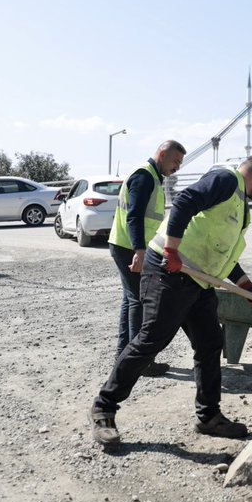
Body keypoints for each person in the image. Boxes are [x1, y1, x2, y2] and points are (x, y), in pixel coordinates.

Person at [90, 152, 252, 448]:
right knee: (151, 339)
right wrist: (172, 251)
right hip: (168, 271)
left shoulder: (240, 203)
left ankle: (208, 416)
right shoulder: (225, 179)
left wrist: (247, 285)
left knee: (210, 342)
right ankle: (104, 407)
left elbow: (221, 252)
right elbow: (184, 202)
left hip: (197, 279)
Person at [107, 139, 186, 377]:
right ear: (162, 154)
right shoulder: (144, 176)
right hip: (130, 247)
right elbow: (134, 216)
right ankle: (137, 362)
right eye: (175, 161)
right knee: (139, 301)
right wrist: (140, 252)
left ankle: (124, 356)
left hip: (126, 245)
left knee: (130, 300)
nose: (177, 167)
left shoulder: (152, 176)